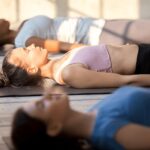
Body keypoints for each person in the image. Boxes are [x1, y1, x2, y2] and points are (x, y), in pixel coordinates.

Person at [11, 86, 150, 150]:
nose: (46, 96)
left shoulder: (93, 113)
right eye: (42, 105)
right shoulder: (108, 132)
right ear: (54, 127)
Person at [1, 42, 150, 88]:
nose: (32, 45)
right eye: (27, 51)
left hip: (143, 50)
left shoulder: (62, 60)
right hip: (145, 61)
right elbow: (126, 81)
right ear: (32, 69)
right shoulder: (69, 73)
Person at [15, 15, 150, 53]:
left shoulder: (23, 27)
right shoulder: (21, 39)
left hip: (101, 25)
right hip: (98, 35)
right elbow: (58, 45)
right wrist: (88, 50)